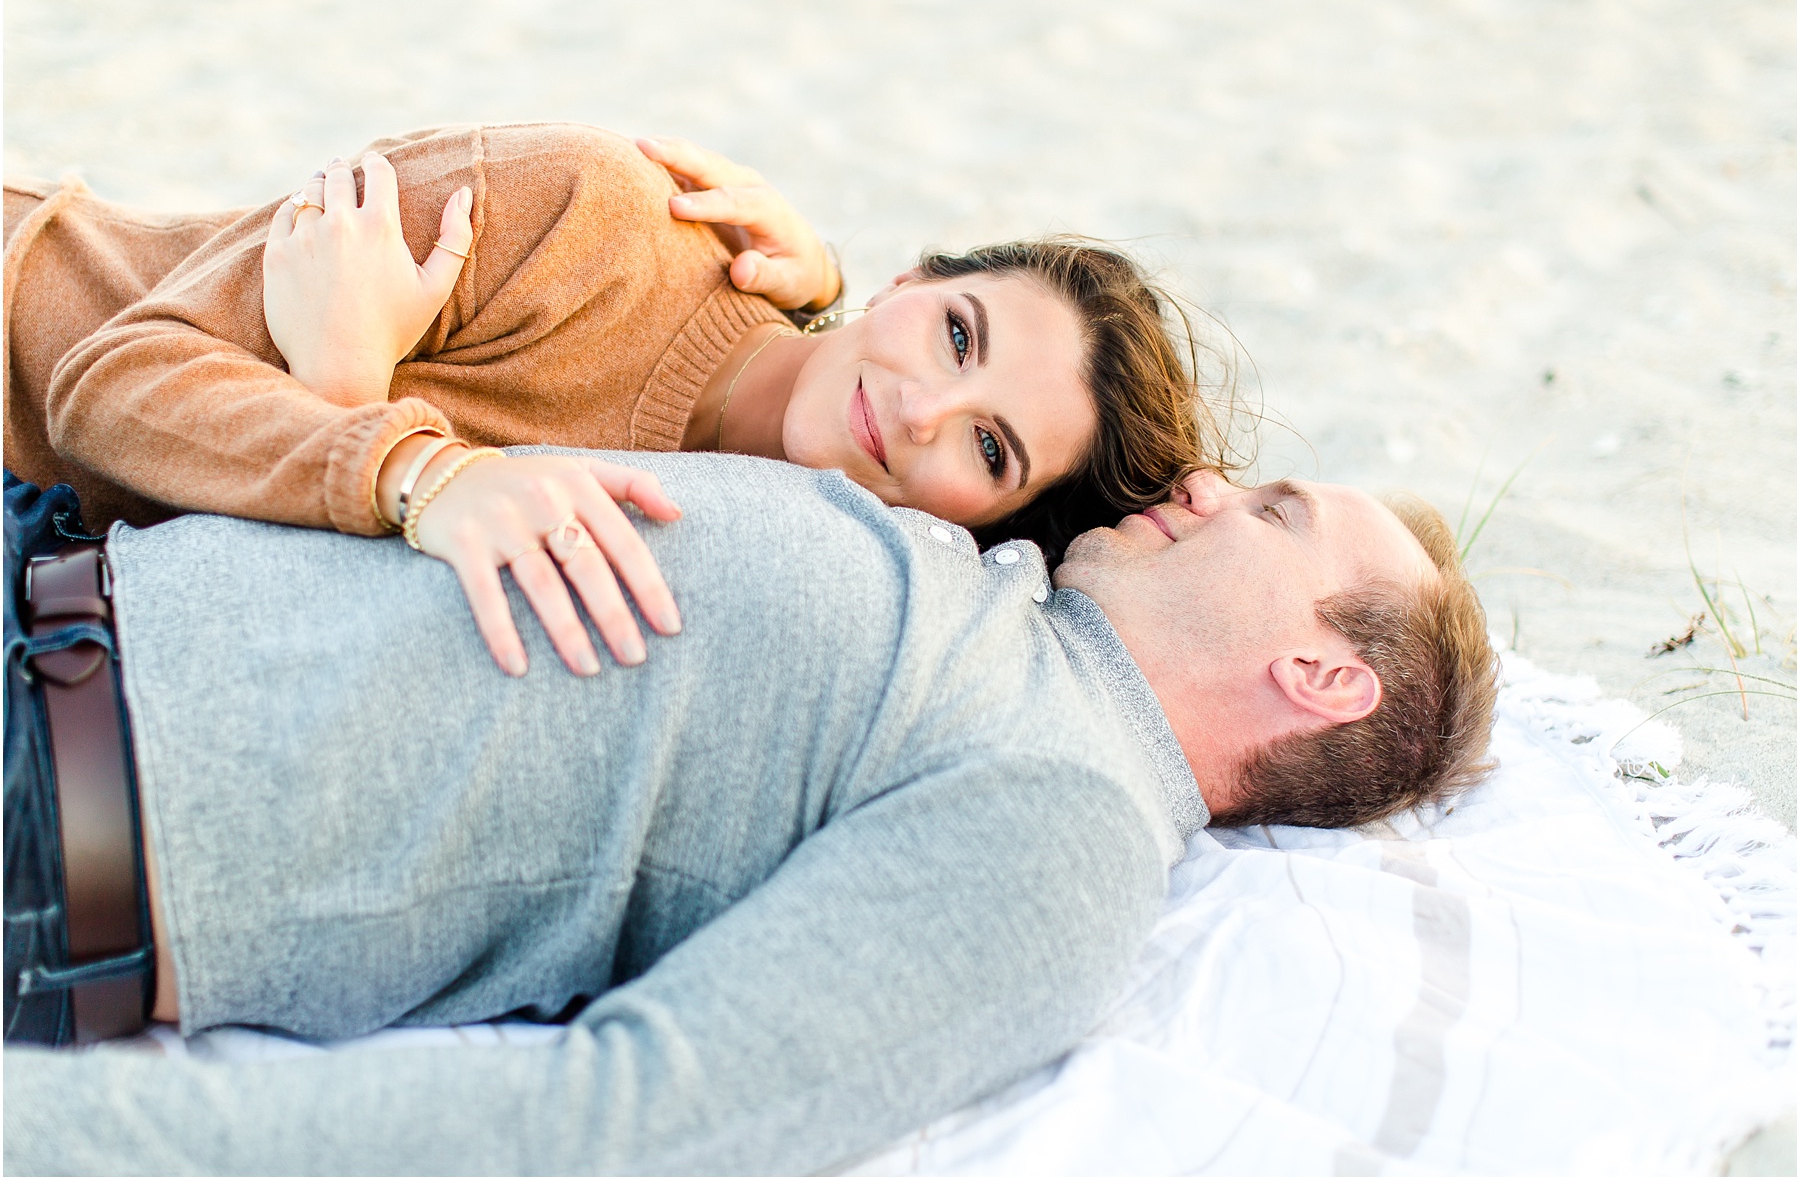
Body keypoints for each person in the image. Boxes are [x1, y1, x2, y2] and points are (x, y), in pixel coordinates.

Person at [3, 448, 1498, 1174]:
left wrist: (53, 1134)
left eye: (1276, 513)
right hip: (58, 573)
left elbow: (632, 1120)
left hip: (63, 792)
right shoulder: (1002, 618)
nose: (1211, 480)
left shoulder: (1068, 824)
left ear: (1320, 673)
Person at [4, 124, 1222, 679]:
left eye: (990, 444)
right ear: (911, 278)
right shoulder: (597, 214)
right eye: (957, 332)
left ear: (985, 528)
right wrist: (423, 471)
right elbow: (104, 389)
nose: (920, 414)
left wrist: (343, 393)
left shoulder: (762, 566)